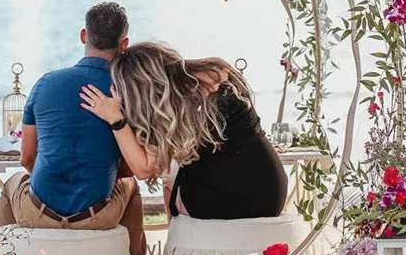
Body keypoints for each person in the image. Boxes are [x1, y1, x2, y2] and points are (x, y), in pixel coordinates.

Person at [0, 1, 152, 255]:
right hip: (97, 216)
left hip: (40, 211)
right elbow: (133, 163)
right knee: (131, 188)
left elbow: (27, 158)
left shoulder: (46, 84)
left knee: (10, 186)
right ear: (125, 45)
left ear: (84, 36)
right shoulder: (127, 91)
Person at [78, 42, 287, 221]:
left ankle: (177, 253)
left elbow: (144, 170)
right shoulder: (217, 69)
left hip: (225, 203)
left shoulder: (161, 109)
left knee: (170, 179)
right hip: (272, 189)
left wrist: (116, 119)